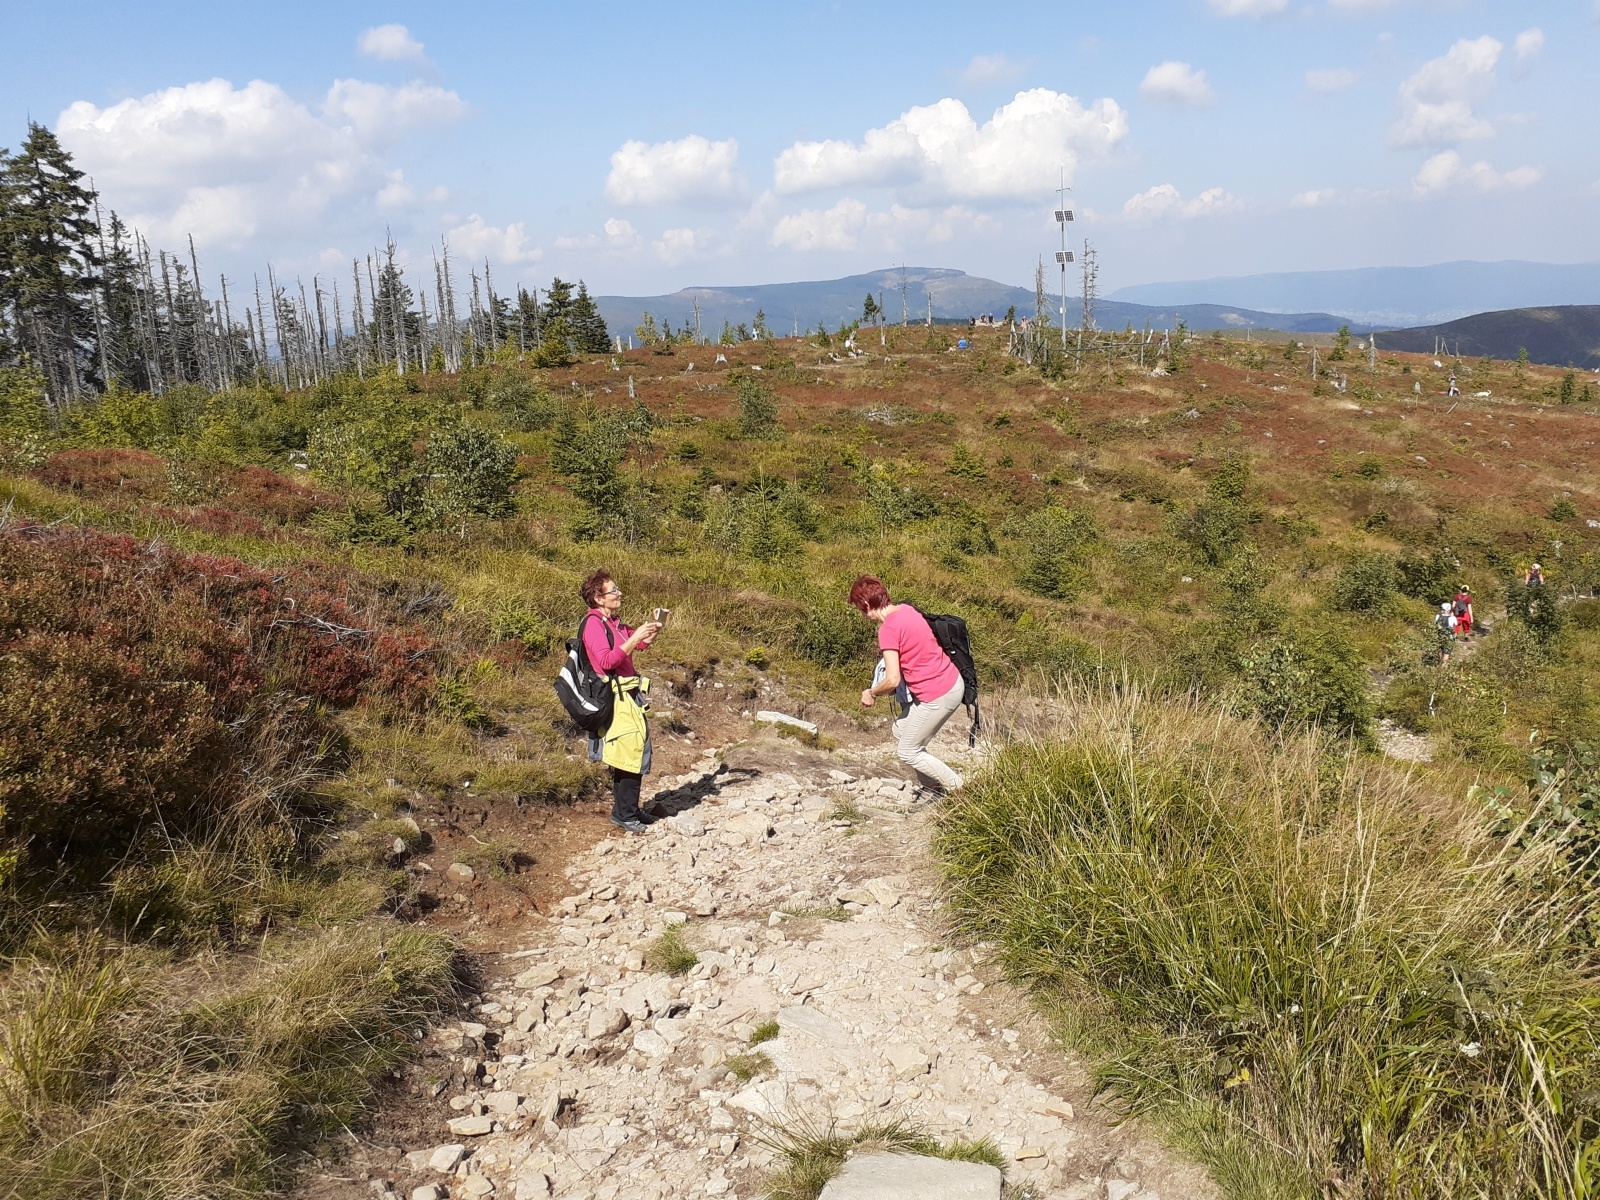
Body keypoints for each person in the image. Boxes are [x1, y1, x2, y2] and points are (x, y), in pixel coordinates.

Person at [850, 575, 964, 794]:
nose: (861, 613)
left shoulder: (888, 629)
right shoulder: (907, 610)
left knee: (908, 752)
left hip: (937, 695)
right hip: (950, 682)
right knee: (901, 729)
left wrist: (871, 692)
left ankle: (960, 791)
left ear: (865, 604)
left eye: (859, 607)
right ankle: (933, 788)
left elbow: (893, 680)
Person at [580, 569, 664, 834]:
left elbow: (640, 645)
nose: (619, 594)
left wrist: (653, 629)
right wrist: (635, 637)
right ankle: (625, 815)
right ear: (598, 598)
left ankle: (628, 810)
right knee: (631, 753)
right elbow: (606, 661)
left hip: (627, 696)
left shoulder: (614, 623)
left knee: (630, 752)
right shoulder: (593, 624)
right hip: (615, 698)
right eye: (613, 591)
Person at [1433, 601, 1458, 665]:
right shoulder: (1452, 618)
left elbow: (1435, 623)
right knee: (1447, 652)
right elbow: (1456, 624)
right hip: (1449, 637)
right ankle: (1443, 666)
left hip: (1439, 636)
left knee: (1440, 650)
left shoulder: (1437, 616)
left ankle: (1440, 663)